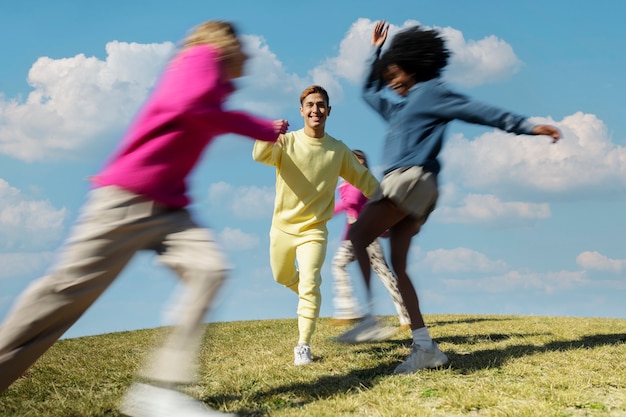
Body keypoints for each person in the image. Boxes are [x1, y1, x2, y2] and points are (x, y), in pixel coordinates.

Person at [0, 21, 289, 417]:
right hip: (124, 199)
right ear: (225, 44)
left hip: (170, 208)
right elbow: (190, 107)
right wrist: (257, 126)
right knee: (63, 295)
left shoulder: (216, 85)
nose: (249, 55)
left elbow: (201, 112)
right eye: (242, 45)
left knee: (210, 270)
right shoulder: (199, 58)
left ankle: (160, 393)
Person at [338, 21, 561, 374]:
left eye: (395, 74)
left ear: (413, 65)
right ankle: (425, 347)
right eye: (388, 77)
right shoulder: (398, 108)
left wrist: (527, 126)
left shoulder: (432, 92)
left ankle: (367, 317)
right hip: (418, 188)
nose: (391, 82)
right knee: (400, 267)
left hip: (409, 179)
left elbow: (480, 111)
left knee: (358, 234)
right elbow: (367, 94)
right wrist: (376, 52)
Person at [252, 85, 379, 366]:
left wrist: (389, 201)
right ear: (302, 111)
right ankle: (310, 297)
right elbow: (259, 156)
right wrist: (268, 134)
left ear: (329, 111)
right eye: (310, 105)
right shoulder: (286, 142)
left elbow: (365, 180)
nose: (315, 110)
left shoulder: (337, 150)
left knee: (310, 282)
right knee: (282, 276)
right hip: (282, 228)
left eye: (321, 105)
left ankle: (303, 346)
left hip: (314, 231)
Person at [331, 149, 410, 333]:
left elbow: (355, 203)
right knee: (338, 264)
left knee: (384, 274)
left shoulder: (365, 182)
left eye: (361, 162)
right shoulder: (343, 183)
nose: (358, 165)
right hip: (352, 236)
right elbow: (347, 206)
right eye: (354, 161)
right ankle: (348, 310)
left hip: (367, 234)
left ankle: (406, 317)